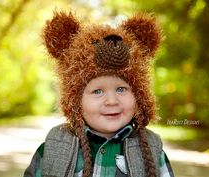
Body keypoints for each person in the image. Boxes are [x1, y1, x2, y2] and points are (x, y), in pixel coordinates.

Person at [23, 11, 174, 177]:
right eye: (97, 91)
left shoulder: (151, 150)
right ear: (76, 101)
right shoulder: (54, 146)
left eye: (121, 89)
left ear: (138, 96)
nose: (111, 100)